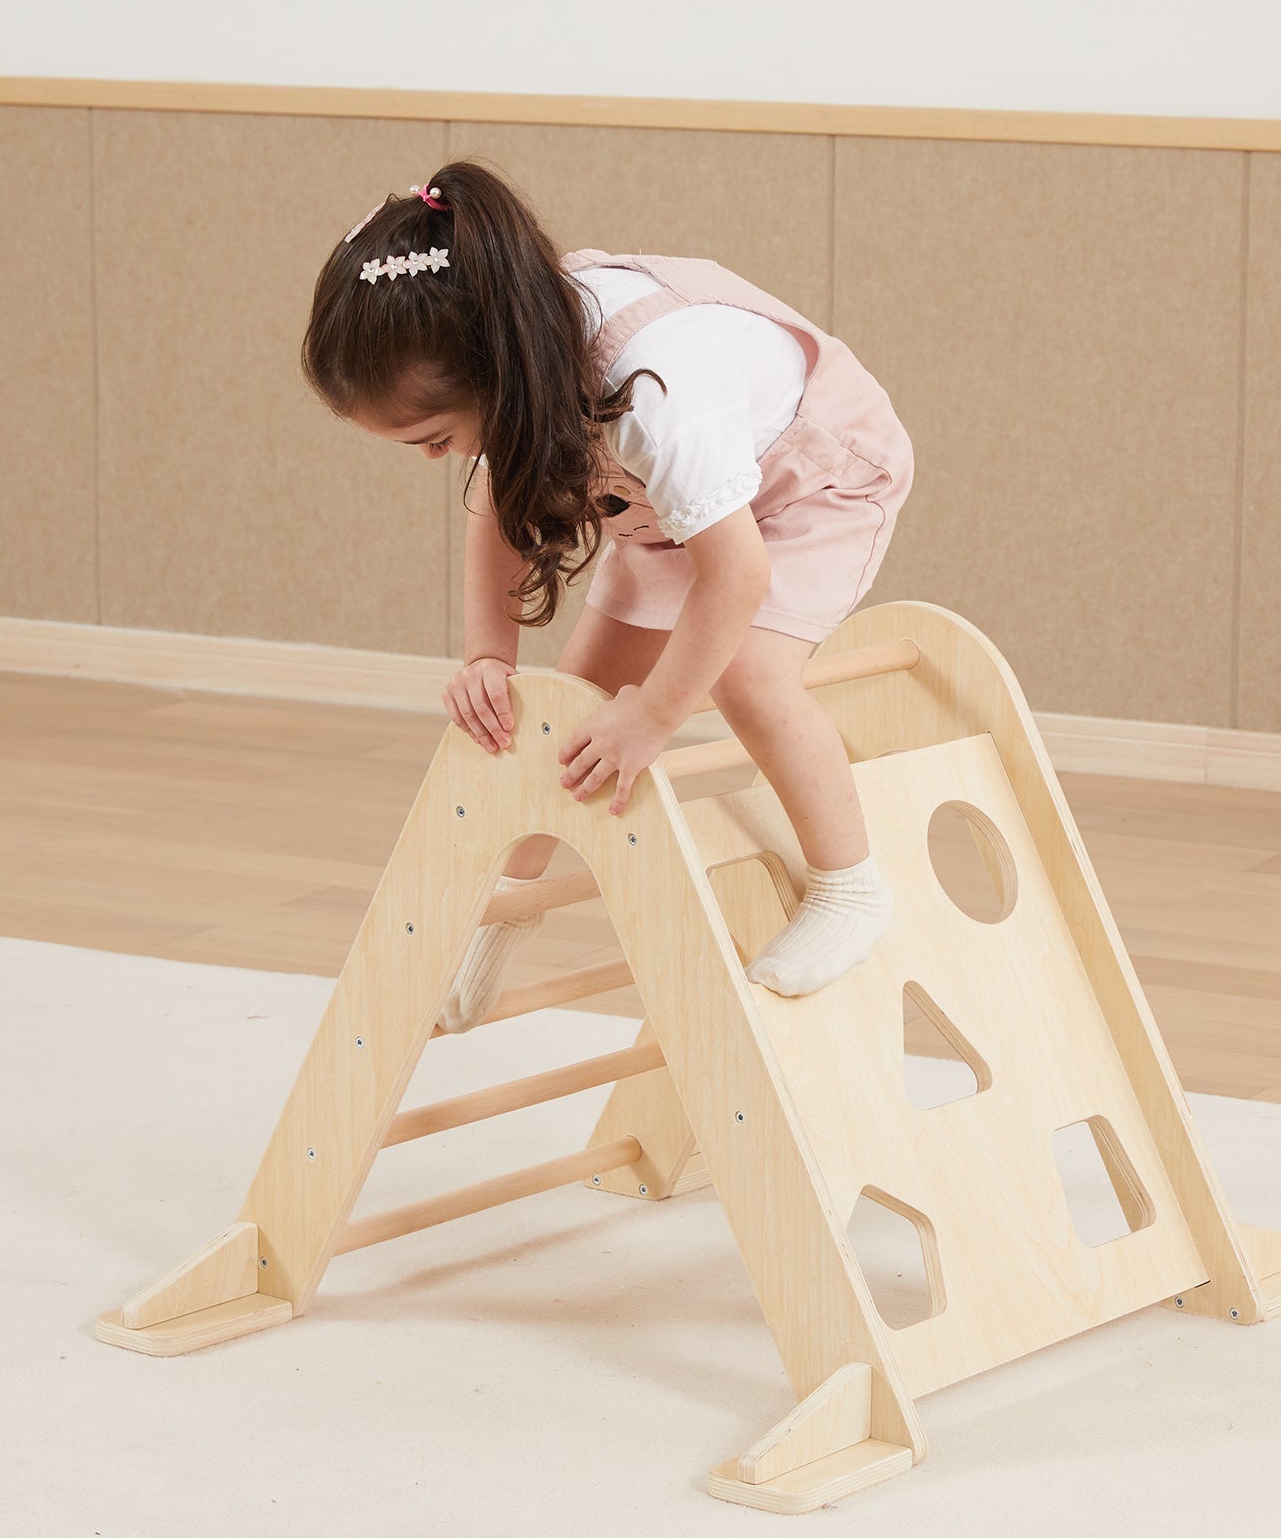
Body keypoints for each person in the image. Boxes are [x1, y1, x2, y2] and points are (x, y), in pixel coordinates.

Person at [301, 161, 914, 1012]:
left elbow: (737, 575)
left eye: (435, 438)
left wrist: (654, 716)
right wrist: (489, 656)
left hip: (813, 482)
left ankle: (850, 886)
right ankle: (504, 911)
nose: (438, 457)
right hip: (672, 508)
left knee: (746, 676)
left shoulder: (659, 394)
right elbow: (496, 507)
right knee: (561, 714)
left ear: (492, 374)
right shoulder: (512, 345)